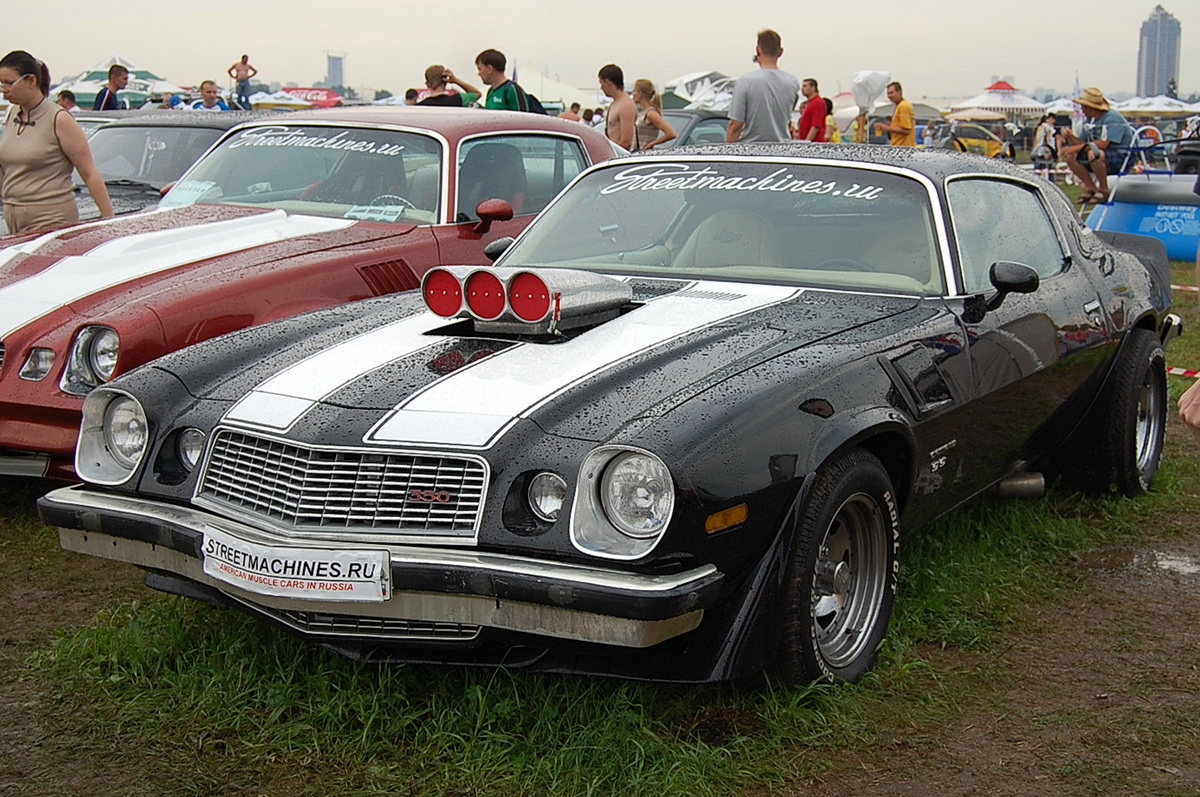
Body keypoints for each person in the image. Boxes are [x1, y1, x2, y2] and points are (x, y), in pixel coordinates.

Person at [0, 50, 113, 233]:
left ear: (32, 81)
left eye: (10, 83)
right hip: (13, 215)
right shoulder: (12, 113)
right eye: (2, 83)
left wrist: (109, 222)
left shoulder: (59, 118)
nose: (4, 89)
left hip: (50, 217)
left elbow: (89, 172)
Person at [1058, 87, 1132, 203]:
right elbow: (1083, 144)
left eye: (1083, 106)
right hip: (1097, 155)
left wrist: (1073, 148)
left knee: (1095, 153)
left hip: (1119, 156)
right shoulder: (1089, 120)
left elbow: (1103, 143)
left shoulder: (1112, 118)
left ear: (1089, 107)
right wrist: (1070, 137)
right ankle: (1091, 188)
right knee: (1070, 156)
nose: (1082, 109)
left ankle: (1103, 190)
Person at [725, 29, 800, 144]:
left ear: (758, 50)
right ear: (781, 52)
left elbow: (736, 125)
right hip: (782, 150)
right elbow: (787, 117)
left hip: (751, 151)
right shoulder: (792, 82)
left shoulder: (745, 81)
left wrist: (727, 154)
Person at [631, 79, 676, 151]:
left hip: (644, 153)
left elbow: (671, 133)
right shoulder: (644, 112)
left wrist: (652, 143)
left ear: (640, 93)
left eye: (634, 91)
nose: (633, 94)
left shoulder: (651, 113)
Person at [598, 64, 636, 150]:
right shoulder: (615, 103)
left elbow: (626, 141)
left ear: (607, 82)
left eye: (602, 83)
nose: (601, 88)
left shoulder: (626, 105)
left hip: (618, 157)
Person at [875, 82, 915, 146]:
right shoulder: (899, 106)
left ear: (899, 92)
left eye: (891, 93)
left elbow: (906, 130)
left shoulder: (903, 106)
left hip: (903, 147)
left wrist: (885, 127)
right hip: (898, 145)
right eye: (888, 93)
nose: (889, 96)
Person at [796, 78, 825, 142]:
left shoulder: (818, 102)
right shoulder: (809, 103)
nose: (802, 89)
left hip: (815, 143)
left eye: (805, 86)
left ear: (813, 87)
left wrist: (807, 142)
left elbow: (816, 126)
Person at [1031, 112, 1058, 181]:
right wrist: (1047, 151)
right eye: (1051, 119)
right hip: (1044, 152)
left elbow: (1036, 140)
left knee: (1038, 171)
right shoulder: (1047, 127)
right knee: (1048, 170)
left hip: (1038, 151)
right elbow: (1047, 139)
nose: (1053, 121)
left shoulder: (1040, 127)